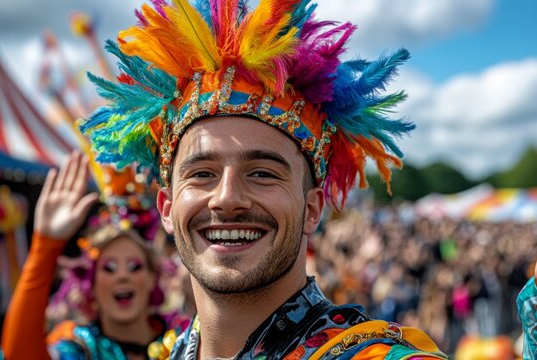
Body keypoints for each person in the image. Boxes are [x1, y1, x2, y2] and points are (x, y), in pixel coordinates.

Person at [80, 0, 448, 358]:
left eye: (262, 174)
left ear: (312, 208)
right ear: (167, 207)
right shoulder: (166, 351)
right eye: (202, 174)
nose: (226, 198)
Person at [1, 152, 169, 359]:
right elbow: (19, 355)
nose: (123, 276)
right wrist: (45, 244)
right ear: (93, 284)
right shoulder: (79, 348)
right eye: (109, 268)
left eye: (135, 266)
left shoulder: (184, 340)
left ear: (152, 277)